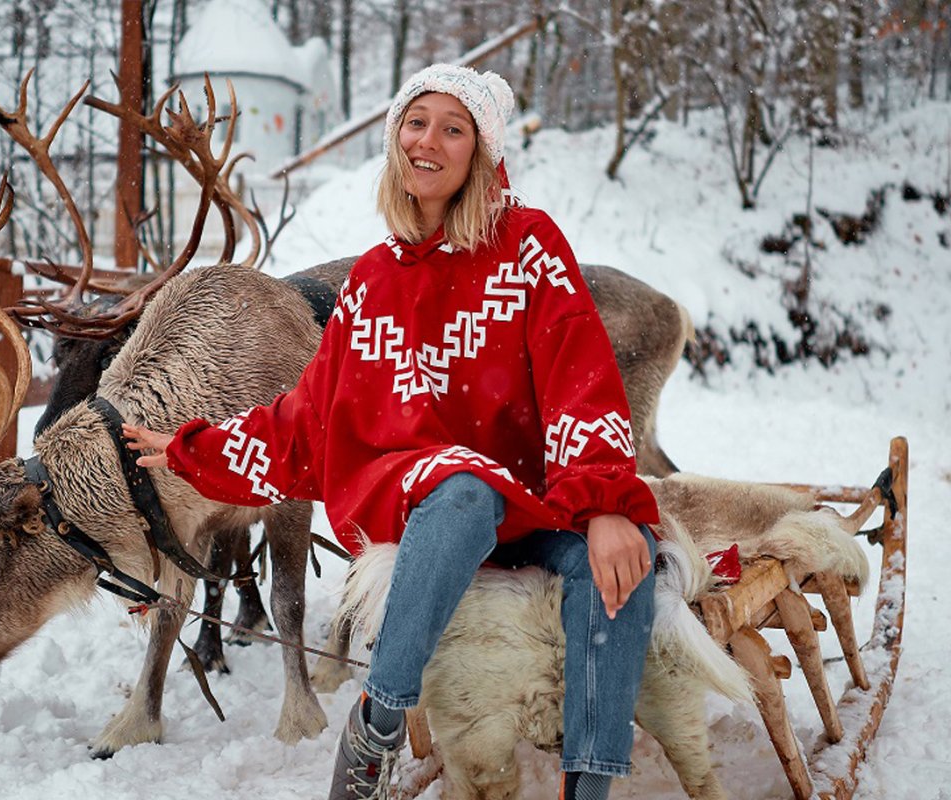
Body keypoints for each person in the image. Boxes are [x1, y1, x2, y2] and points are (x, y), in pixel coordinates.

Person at [123, 63, 659, 800]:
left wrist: (604, 505)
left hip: (531, 502)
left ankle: (588, 790)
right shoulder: (373, 281)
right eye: (416, 122)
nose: (428, 141)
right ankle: (376, 725)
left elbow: (581, 375)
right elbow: (310, 417)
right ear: (394, 137)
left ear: (481, 152)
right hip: (425, 500)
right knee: (464, 487)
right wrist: (194, 448)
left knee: (625, 560)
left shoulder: (529, 247)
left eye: (453, 128)